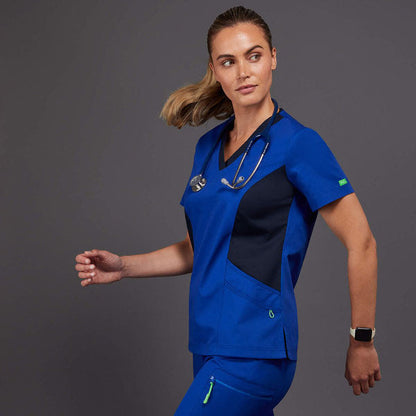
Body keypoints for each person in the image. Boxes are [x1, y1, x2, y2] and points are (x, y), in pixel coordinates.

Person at [74, 6, 381, 415]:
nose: (244, 72)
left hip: (256, 348)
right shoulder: (208, 147)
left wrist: (362, 340)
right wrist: (124, 266)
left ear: (273, 58)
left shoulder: (298, 144)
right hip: (207, 343)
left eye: (254, 56)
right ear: (215, 71)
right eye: (228, 61)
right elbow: (199, 249)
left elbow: (362, 242)